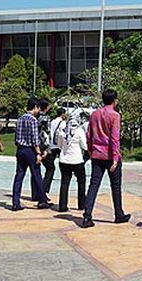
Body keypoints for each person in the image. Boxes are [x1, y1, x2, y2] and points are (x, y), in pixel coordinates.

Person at [82, 89, 130, 228]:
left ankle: (87, 215)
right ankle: (118, 214)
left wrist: (90, 150)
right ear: (114, 100)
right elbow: (115, 139)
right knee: (115, 186)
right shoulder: (115, 115)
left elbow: (89, 134)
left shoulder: (94, 114)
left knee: (94, 185)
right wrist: (115, 158)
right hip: (109, 155)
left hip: (96, 154)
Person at [12, 98, 50, 211]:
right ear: (35, 107)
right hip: (30, 150)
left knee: (19, 176)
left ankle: (15, 202)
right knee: (37, 175)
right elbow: (35, 138)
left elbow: (16, 137)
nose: (38, 110)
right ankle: (42, 200)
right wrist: (38, 152)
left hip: (20, 149)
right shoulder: (33, 120)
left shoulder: (19, 119)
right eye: (38, 108)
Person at [57, 113, 88, 212]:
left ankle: (62, 206)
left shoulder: (62, 131)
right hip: (77, 160)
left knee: (65, 183)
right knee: (81, 181)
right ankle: (81, 204)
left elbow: (59, 146)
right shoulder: (79, 131)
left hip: (64, 160)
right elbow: (85, 146)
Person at [32, 99, 56, 197]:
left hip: (34, 145)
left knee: (35, 169)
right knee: (51, 168)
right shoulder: (46, 118)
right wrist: (47, 148)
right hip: (43, 145)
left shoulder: (34, 117)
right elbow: (47, 133)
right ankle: (44, 190)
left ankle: (35, 194)